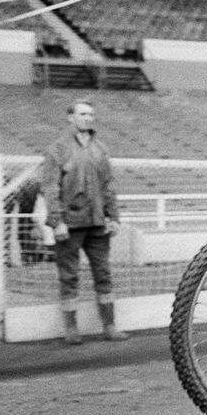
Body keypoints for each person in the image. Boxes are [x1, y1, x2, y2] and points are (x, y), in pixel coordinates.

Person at [40, 99, 127, 344]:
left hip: (98, 223)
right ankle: (71, 329)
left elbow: (109, 185)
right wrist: (56, 221)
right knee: (69, 275)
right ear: (70, 117)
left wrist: (114, 217)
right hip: (70, 224)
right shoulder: (58, 149)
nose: (87, 118)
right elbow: (50, 187)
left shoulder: (101, 148)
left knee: (104, 273)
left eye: (90, 114)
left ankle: (109, 326)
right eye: (82, 114)